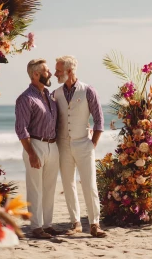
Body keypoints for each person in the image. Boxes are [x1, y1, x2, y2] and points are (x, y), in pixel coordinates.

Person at [53, 55, 106, 238]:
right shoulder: (56, 93)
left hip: (84, 143)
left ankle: (94, 224)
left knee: (90, 185)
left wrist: (93, 144)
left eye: (58, 70)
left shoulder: (88, 91)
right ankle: (75, 223)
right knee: (68, 184)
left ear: (69, 71)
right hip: (63, 144)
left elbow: (99, 120)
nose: (55, 74)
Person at [15, 58, 62, 239]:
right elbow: (21, 129)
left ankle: (47, 224)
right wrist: (31, 153)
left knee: (49, 187)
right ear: (36, 74)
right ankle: (36, 227)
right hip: (35, 145)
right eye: (46, 71)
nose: (50, 74)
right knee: (35, 187)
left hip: (53, 145)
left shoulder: (50, 96)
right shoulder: (25, 98)